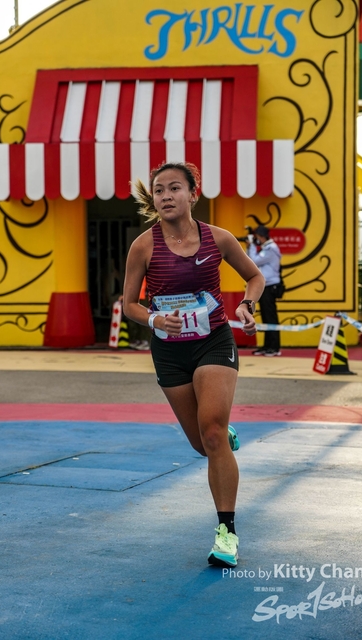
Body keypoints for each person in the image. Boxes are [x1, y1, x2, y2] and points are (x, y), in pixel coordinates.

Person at [123, 162, 265, 568]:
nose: (166, 196)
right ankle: (217, 427)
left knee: (213, 435)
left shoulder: (218, 238)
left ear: (193, 194)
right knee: (202, 444)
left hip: (213, 341)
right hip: (170, 351)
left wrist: (247, 305)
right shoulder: (143, 246)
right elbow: (129, 303)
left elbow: (254, 278)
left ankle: (227, 533)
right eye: (159, 190)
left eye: (174, 188)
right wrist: (154, 319)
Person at [246, 225, 282, 356]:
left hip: (270, 286)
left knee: (270, 316)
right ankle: (267, 346)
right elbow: (249, 260)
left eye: (257, 237)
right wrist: (250, 247)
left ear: (262, 237)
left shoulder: (271, 249)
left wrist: (251, 246)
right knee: (266, 317)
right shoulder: (266, 248)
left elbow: (254, 261)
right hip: (265, 286)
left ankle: (274, 347)